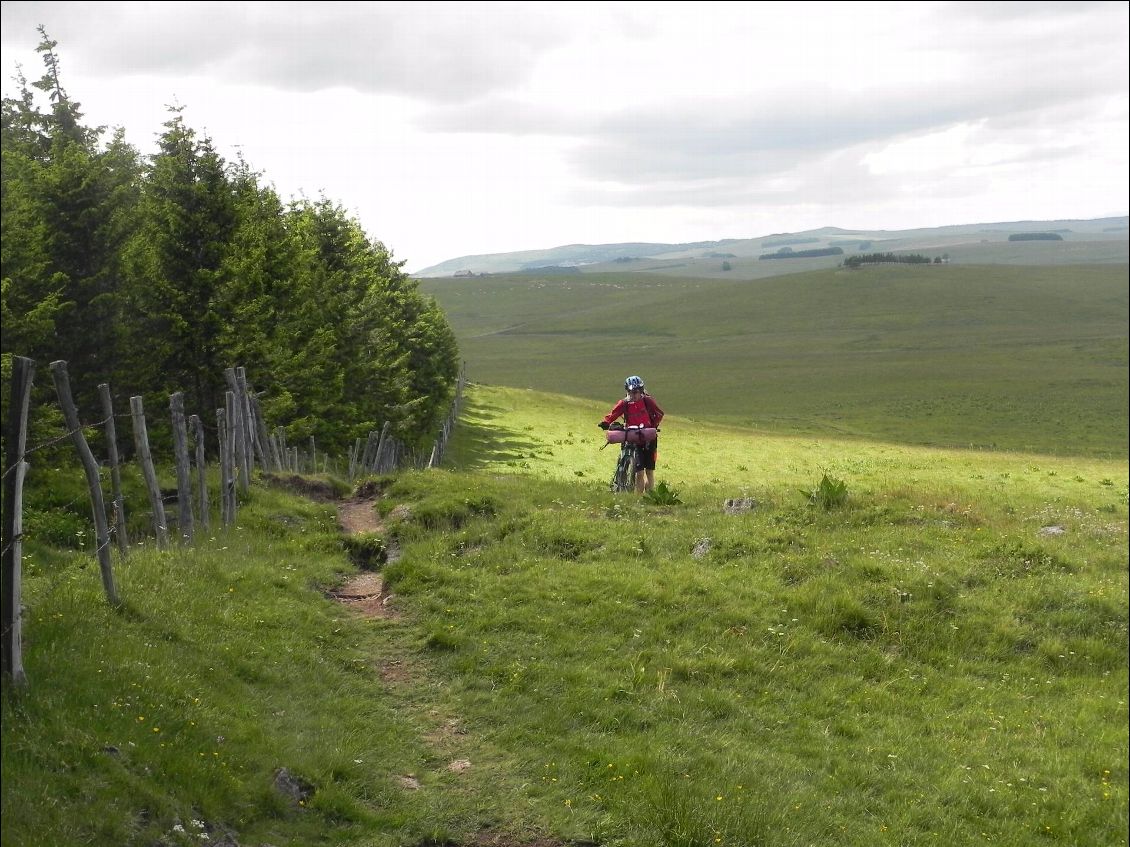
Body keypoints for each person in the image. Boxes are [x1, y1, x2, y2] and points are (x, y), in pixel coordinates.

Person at [598, 375, 665, 493]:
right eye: (630, 392)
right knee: (639, 472)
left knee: (649, 471)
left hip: (649, 438)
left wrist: (653, 426)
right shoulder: (624, 403)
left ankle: (650, 496)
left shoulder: (647, 400)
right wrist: (606, 422)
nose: (633, 395)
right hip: (633, 438)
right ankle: (637, 500)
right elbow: (613, 413)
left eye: (636, 392)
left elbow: (659, 413)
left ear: (641, 391)